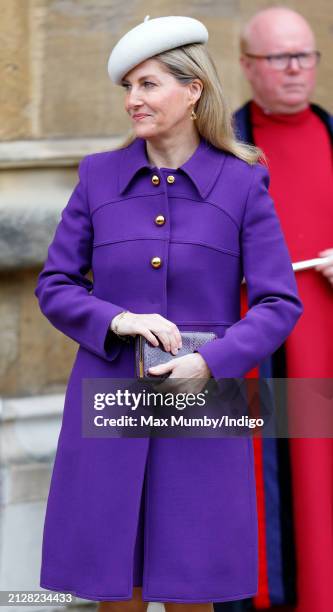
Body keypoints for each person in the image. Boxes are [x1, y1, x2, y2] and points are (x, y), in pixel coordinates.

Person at [34, 15, 303, 612]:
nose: (133, 100)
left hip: (204, 402)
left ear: (193, 90)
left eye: (148, 84)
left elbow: (280, 302)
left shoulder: (242, 183)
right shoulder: (98, 176)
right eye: (127, 87)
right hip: (110, 397)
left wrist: (212, 362)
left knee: (191, 587)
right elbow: (55, 284)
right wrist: (116, 320)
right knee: (116, 587)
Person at [217, 6, 332, 612]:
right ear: (246, 65)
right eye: (278, 57)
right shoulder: (222, 149)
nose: (295, 70)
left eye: (305, 55)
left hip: (326, 351)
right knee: (261, 506)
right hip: (253, 356)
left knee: (320, 494)